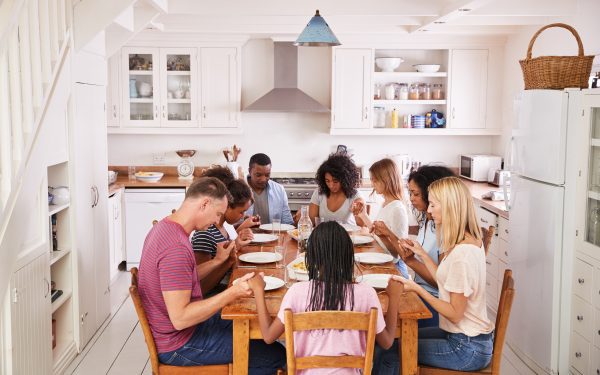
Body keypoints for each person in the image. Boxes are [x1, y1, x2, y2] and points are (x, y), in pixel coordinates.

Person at [137, 177, 285, 373]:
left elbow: (181, 277)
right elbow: (180, 318)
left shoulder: (165, 227)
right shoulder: (176, 247)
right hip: (179, 343)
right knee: (275, 356)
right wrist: (232, 292)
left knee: (251, 321)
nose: (217, 221)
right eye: (217, 214)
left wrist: (216, 262)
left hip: (183, 331)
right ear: (204, 204)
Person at [248, 221, 403, 373]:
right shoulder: (367, 293)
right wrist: (394, 297)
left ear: (312, 256)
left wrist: (258, 290)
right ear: (349, 254)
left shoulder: (296, 292)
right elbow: (387, 342)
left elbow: (268, 336)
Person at [375, 176, 494, 374]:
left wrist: (416, 288)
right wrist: (421, 253)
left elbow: (455, 313)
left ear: (449, 207)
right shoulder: (465, 241)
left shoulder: (462, 255)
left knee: (390, 353)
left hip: (466, 347)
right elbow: (446, 279)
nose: (428, 210)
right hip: (463, 337)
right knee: (392, 341)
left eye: (432, 204)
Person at [400, 165, 456, 328]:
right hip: (421, 293)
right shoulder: (428, 219)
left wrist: (412, 262)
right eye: (410, 193)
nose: (411, 198)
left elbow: (441, 284)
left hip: (436, 305)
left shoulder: (447, 230)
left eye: (416, 194)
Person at [191, 166, 256, 294]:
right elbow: (201, 288)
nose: (243, 216)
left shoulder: (223, 227)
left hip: (224, 288)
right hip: (212, 298)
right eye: (241, 212)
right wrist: (227, 260)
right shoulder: (204, 234)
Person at [352, 158, 409, 278]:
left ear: (386, 180)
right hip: (384, 261)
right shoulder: (386, 203)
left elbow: (398, 254)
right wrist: (363, 215)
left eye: (375, 180)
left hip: (395, 268)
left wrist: (384, 235)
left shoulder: (397, 209)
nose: (372, 184)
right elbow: (377, 232)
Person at [309, 153, 364, 226]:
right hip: (324, 236)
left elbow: (361, 226)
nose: (331, 185)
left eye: (335, 181)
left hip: (348, 236)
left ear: (345, 179)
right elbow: (312, 223)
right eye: (327, 181)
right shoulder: (319, 193)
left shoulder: (354, 194)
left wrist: (359, 208)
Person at [245, 153, 294, 225]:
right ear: (249, 171)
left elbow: (287, 222)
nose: (263, 179)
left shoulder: (279, 190)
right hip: (246, 235)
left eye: (267, 175)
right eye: (258, 175)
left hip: (273, 235)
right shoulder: (238, 189)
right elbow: (233, 225)